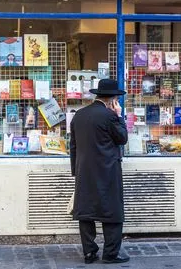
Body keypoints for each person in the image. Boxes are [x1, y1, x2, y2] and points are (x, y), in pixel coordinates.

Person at [70, 79, 129, 264]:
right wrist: (119, 116)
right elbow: (122, 138)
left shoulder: (78, 115)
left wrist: (75, 171)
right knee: (112, 211)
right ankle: (110, 254)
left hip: (84, 171)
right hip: (107, 171)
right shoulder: (110, 115)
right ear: (113, 99)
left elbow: (73, 146)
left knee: (85, 211)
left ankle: (89, 253)